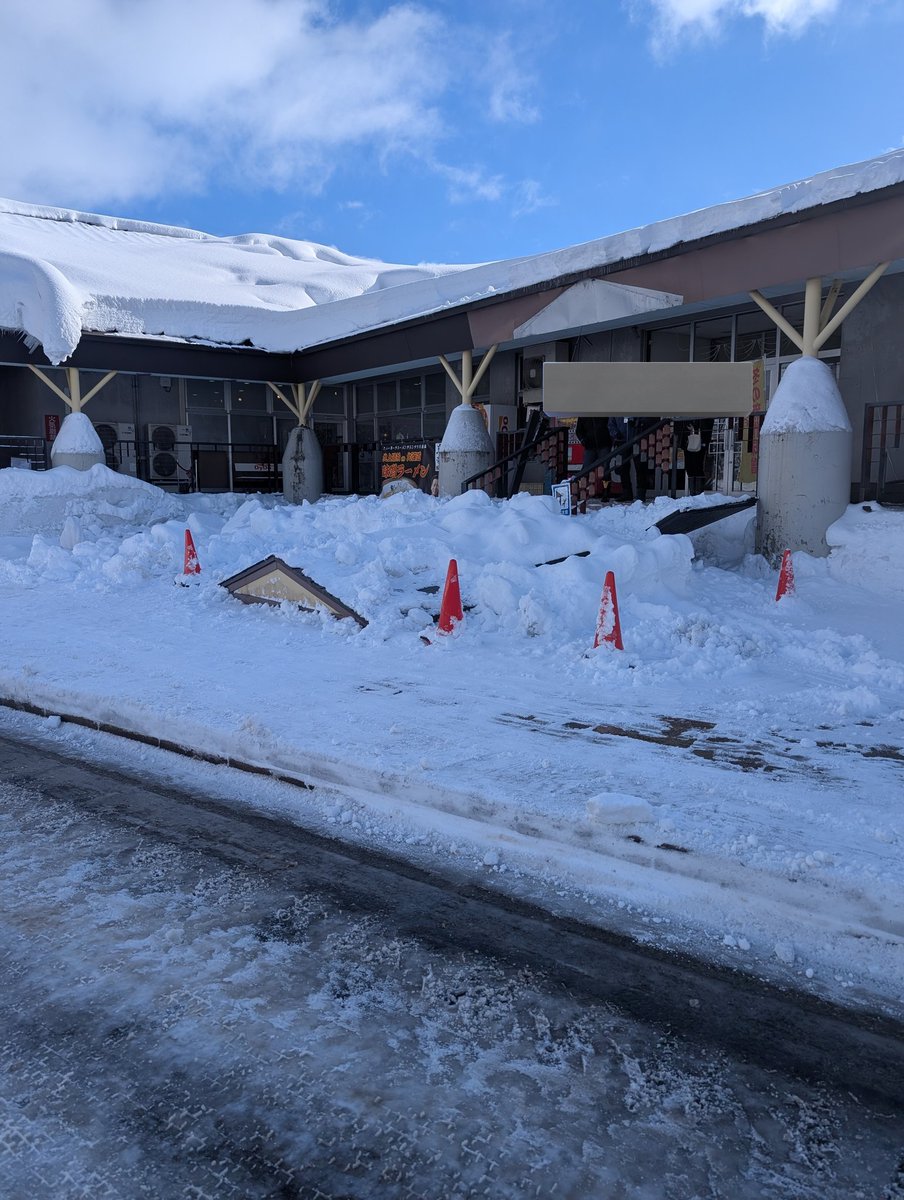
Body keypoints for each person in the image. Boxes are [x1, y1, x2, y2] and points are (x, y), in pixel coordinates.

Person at [607, 416, 650, 502]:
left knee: (640, 467)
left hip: (638, 441)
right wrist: (616, 434)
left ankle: (641, 494)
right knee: (623, 468)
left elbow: (646, 419)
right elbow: (611, 424)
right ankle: (627, 493)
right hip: (621, 442)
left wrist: (639, 423)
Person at [683, 420, 713, 495]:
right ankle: (693, 493)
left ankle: (698, 493)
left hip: (700, 443)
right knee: (690, 467)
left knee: (698, 467)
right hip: (689, 444)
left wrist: (695, 429)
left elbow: (707, 425)